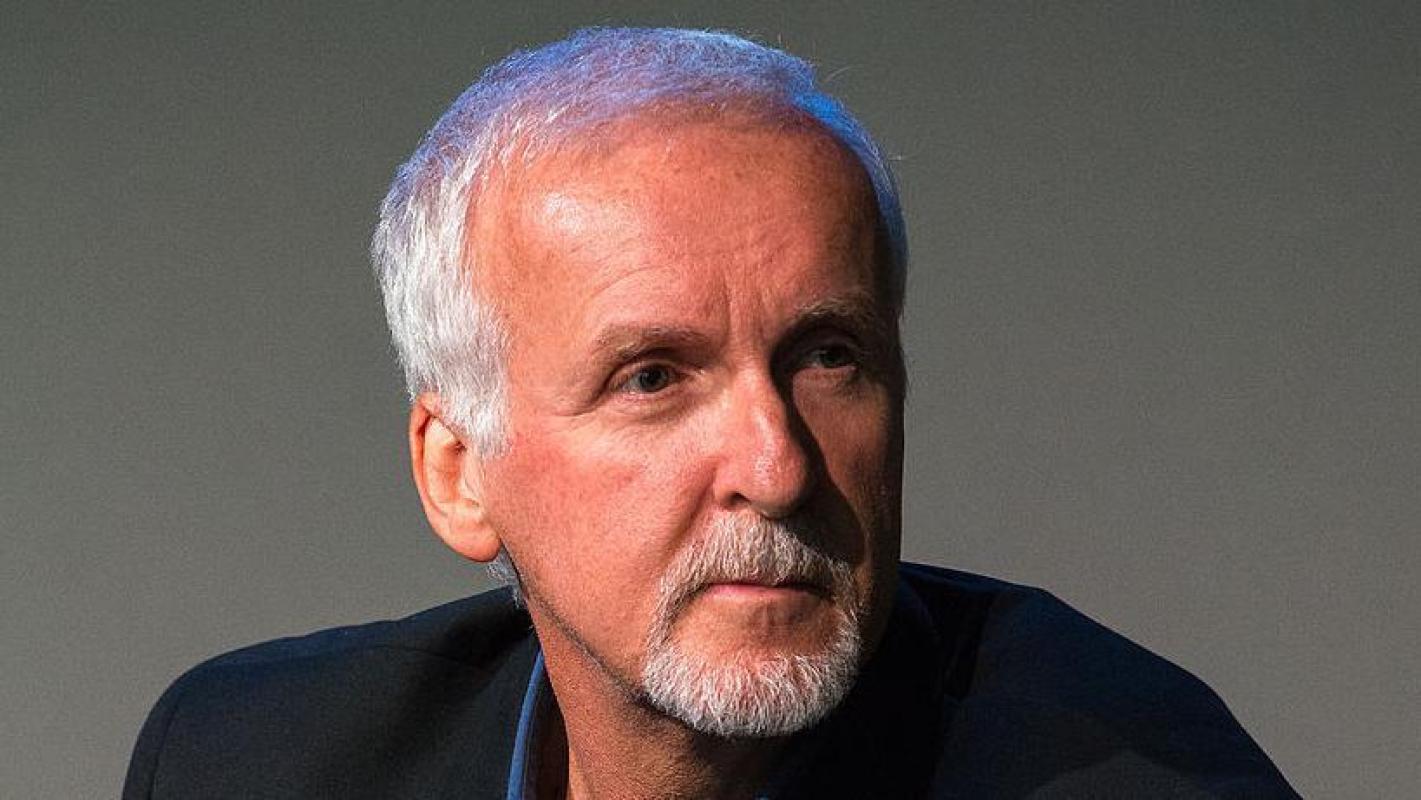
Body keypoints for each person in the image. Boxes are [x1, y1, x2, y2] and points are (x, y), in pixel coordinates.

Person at [123, 28, 1297, 799]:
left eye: (827, 357)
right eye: (651, 377)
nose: (775, 467)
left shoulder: (1137, 777)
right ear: (458, 471)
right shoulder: (250, 762)